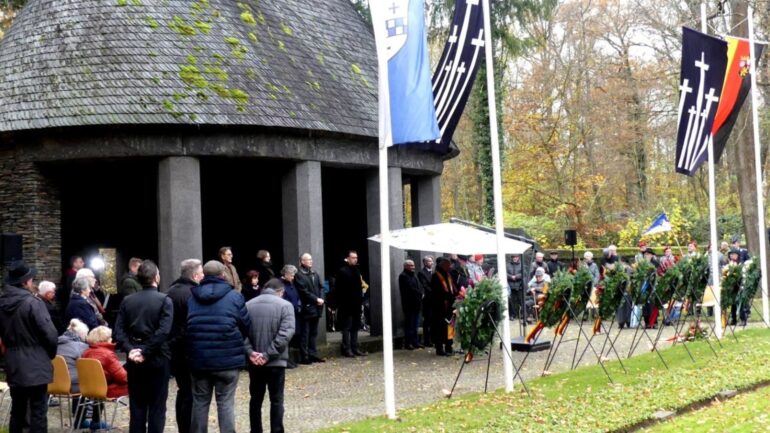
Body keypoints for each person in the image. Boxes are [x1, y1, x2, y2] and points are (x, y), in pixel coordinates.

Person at [187, 260, 253, 433]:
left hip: (199, 359)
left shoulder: (192, 296)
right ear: (223, 275)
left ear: (204, 275)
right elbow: (246, 325)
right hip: (228, 360)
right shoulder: (235, 296)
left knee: (200, 402)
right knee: (225, 403)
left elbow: (188, 325)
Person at [114, 260, 173, 433]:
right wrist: (145, 351)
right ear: (156, 277)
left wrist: (131, 349)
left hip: (135, 357)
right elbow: (163, 332)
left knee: (137, 406)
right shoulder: (164, 300)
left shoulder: (127, 301)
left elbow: (118, 331)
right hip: (157, 357)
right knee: (157, 406)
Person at [0, 261, 58, 433]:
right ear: (25, 282)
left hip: (13, 361)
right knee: (38, 411)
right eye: (31, 279)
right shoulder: (33, 303)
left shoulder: (1, 304)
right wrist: (48, 353)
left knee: (17, 410)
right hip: (36, 361)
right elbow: (50, 333)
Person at [244, 278, 295, 433]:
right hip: (276, 361)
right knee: (277, 400)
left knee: (255, 400)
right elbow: (285, 334)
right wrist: (268, 355)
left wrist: (251, 352)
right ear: (280, 291)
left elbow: (241, 332)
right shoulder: (285, 306)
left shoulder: (248, 305)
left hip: (254, 361)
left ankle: (256, 430)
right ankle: (277, 430)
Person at [167, 259, 204, 433]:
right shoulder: (192, 294)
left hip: (174, 349)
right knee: (190, 393)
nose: (203, 275)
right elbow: (193, 323)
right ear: (195, 275)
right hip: (189, 348)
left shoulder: (170, 291)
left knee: (183, 391)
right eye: (202, 272)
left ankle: (183, 427)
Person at [82, 326, 129, 427]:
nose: (112, 339)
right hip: (106, 390)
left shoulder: (86, 353)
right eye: (110, 337)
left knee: (100, 384)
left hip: (89, 389)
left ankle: (95, 422)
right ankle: (141, 420)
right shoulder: (108, 354)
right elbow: (123, 378)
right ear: (105, 339)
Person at [293, 253, 325, 364]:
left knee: (313, 332)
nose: (311, 261)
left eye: (311, 259)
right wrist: (316, 299)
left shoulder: (315, 273)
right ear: (302, 261)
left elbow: (321, 287)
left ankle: (313, 354)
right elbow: (303, 291)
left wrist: (321, 298)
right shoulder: (298, 275)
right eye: (308, 260)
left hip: (317, 307)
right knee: (305, 333)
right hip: (306, 307)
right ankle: (305, 356)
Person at [335, 251, 367, 357]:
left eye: (356, 257)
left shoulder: (357, 270)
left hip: (356, 304)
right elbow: (339, 289)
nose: (355, 259)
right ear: (347, 258)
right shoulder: (342, 271)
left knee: (355, 326)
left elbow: (359, 287)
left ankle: (355, 347)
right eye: (353, 257)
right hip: (346, 304)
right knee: (347, 327)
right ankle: (346, 348)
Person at [430, 257, 457, 356]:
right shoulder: (436, 276)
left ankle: (449, 346)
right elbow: (436, 292)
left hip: (450, 306)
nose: (449, 266)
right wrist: (446, 297)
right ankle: (439, 348)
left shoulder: (449, 275)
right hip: (440, 307)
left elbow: (452, 289)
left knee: (450, 326)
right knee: (439, 328)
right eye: (447, 265)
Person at [278, 266, 301, 366]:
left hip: (294, 314)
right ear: (286, 274)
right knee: (286, 337)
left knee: (292, 337)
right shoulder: (280, 284)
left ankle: (290, 359)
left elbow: (295, 296)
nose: (293, 277)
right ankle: (285, 360)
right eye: (291, 275)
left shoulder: (291, 283)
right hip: (285, 314)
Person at [398, 259, 423, 350]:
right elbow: (410, 288)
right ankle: (408, 343)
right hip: (409, 304)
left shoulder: (414, 275)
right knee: (409, 325)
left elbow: (419, 286)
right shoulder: (403, 276)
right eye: (411, 265)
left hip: (416, 304)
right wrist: (420, 293)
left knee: (415, 325)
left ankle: (415, 342)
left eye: (413, 265)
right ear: (406, 266)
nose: (413, 267)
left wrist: (421, 293)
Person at [417, 255, 434, 347]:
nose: (431, 263)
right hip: (427, 300)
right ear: (424, 262)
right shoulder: (421, 273)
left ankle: (432, 339)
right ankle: (427, 340)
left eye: (432, 261)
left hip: (434, 300)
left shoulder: (434, 272)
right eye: (429, 261)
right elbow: (424, 285)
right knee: (427, 320)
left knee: (432, 321)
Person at [506, 255, 524, 320]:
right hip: (510, 286)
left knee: (521, 301)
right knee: (511, 302)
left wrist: (516, 276)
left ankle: (522, 315)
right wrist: (511, 277)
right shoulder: (508, 265)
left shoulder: (521, 265)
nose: (515, 258)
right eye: (514, 257)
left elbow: (523, 273)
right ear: (512, 258)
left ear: (518, 258)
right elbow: (505, 273)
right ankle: (512, 315)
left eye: (516, 257)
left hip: (519, 285)